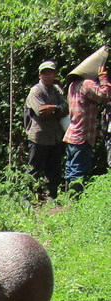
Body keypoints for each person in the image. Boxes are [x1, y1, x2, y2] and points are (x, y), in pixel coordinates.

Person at [63, 46, 111, 193]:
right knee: (78, 171)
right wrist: (103, 78)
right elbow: (105, 96)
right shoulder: (86, 84)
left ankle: (68, 198)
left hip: (72, 134)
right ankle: (75, 202)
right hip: (83, 135)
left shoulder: (72, 85)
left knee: (71, 168)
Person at [25, 60, 68, 199]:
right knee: (33, 170)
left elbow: (66, 108)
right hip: (39, 137)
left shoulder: (56, 90)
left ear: (55, 74)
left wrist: (54, 108)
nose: (48, 76)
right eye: (45, 73)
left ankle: (52, 198)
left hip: (55, 137)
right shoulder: (36, 91)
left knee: (54, 170)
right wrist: (58, 108)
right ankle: (26, 199)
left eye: (51, 73)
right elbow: (41, 112)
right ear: (39, 75)